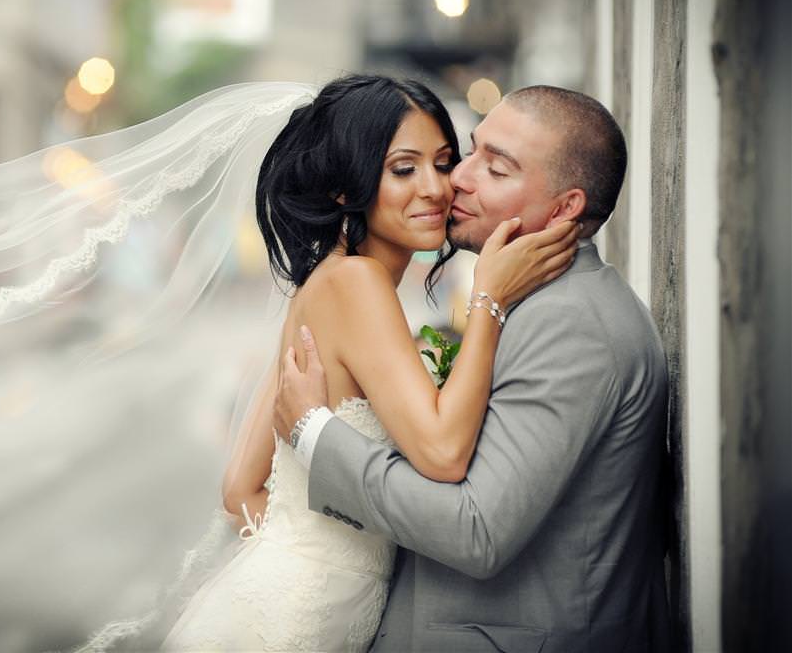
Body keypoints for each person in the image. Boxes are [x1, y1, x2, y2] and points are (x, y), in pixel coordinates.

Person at [162, 75, 578, 651]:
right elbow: (442, 452)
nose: (435, 188)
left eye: (442, 162)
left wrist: (312, 559)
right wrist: (490, 299)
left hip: (292, 610)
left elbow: (239, 488)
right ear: (344, 188)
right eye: (403, 169)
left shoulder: (329, 280)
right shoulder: (356, 283)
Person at [275, 85, 671, 652]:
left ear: (565, 209)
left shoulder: (572, 325)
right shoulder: (527, 302)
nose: (457, 179)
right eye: (472, 151)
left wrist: (316, 436)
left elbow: (476, 530)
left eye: (497, 169)